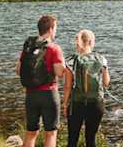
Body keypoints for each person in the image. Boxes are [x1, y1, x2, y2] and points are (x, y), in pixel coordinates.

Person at [17, 14, 66, 147]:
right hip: (49, 94)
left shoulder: (28, 47)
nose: (55, 31)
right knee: (50, 133)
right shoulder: (54, 48)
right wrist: (65, 66)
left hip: (30, 94)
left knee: (31, 132)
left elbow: (18, 70)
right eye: (55, 28)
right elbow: (59, 73)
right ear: (50, 29)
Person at [61, 29, 110, 147]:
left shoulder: (71, 61)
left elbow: (67, 86)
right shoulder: (101, 59)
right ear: (91, 42)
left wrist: (65, 104)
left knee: (72, 139)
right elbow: (106, 82)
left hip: (77, 103)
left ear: (77, 43)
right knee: (91, 139)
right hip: (96, 103)